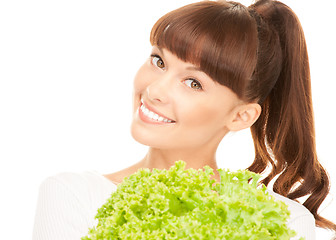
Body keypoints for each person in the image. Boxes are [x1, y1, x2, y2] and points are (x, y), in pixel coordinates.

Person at [32, 0, 336, 239]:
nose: (154, 90)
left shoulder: (286, 222)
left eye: (193, 83)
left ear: (242, 115)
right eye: (159, 61)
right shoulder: (74, 196)